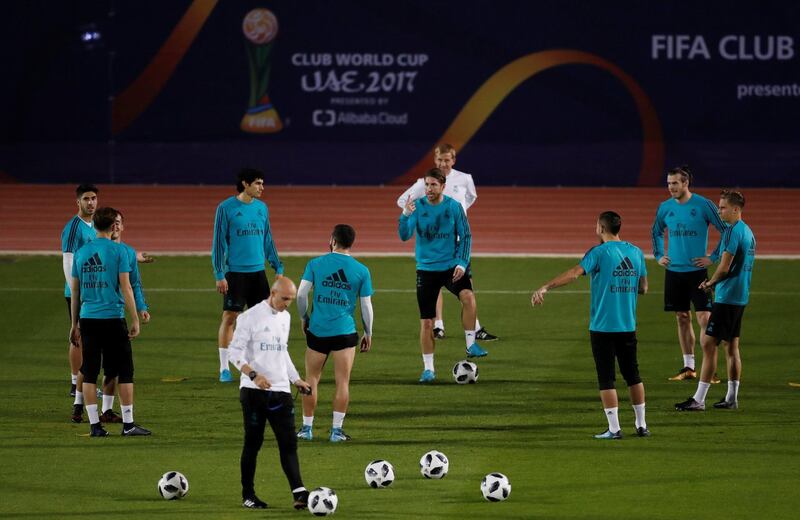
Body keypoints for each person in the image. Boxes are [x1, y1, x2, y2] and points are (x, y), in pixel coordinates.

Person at [531, 211, 649, 439]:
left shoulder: (598, 252)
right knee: (633, 374)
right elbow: (643, 287)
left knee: (606, 377)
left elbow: (575, 274)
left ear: (601, 228)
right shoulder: (636, 252)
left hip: (603, 327)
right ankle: (641, 425)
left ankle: (614, 429)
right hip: (628, 325)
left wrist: (546, 287)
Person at [396, 144, 498, 342]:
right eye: (440, 160)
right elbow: (403, 201)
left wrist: (455, 217)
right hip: (435, 243)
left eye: (447, 160)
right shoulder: (423, 183)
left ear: (453, 160)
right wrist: (422, 215)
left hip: (458, 243)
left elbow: (470, 198)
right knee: (435, 286)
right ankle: (438, 325)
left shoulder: (464, 179)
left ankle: (475, 329)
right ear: (435, 160)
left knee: (466, 289)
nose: (443, 163)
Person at [227, 277, 312, 510]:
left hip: (280, 392)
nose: (288, 304)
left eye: (291, 300)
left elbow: (282, 352)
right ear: (272, 293)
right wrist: (254, 375)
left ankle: (299, 492)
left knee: (289, 442)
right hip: (254, 392)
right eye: (285, 298)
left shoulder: (285, 317)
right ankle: (248, 494)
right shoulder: (249, 317)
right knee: (253, 443)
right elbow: (234, 353)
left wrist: (296, 379)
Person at [398, 168, 488, 383]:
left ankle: (470, 344)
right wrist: (405, 215)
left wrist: (461, 262)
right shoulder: (417, 207)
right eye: (427, 185)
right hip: (426, 270)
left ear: (442, 186)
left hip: (450, 267)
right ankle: (428, 369)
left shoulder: (453, 207)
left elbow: (465, 236)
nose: (428, 189)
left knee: (468, 297)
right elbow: (404, 236)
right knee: (427, 323)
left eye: (433, 185)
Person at [69, 206, 150, 437]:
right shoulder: (119, 252)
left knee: (90, 371)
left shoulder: (82, 253)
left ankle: (95, 426)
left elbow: (75, 292)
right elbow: (126, 287)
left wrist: (74, 324)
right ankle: (128, 424)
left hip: (88, 318)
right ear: (113, 226)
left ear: (94, 225)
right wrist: (134, 317)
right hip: (113, 319)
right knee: (124, 371)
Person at [675, 190, 755, 411]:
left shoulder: (732, 232)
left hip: (727, 297)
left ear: (736, 209)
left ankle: (699, 399)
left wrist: (710, 283)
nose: (719, 211)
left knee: (709, 343)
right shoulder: (747, 231)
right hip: (740, 296)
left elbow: (725, 266)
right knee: (732, 346)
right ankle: (731, 397)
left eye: (722, 207)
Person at [295, 224, 374, 442]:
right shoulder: (361, 270)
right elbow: (366, 306)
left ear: (332, 240)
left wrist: (304, 318)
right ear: (351, 243)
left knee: (311, 379)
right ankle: (336, 431)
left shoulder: (316, 263)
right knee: (342, 382)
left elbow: (301, 295)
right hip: (345, 333)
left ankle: (306, 429)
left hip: (318, 331)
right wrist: (368, 332)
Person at [651, 165, 726, 381]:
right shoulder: (665, 207)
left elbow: (726, 231)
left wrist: (712, 257)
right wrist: (659, 255)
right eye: (668, 183)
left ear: (686, 183)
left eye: (674, 183)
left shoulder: (704, 205)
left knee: (705, 318)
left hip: (698, 272)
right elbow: (656, 231)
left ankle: (709, 370)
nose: (671, 187)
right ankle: (689, 367)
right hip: (674, 273)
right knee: (682, 317)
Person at [212, 168, 283, 382]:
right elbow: (218, 243)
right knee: (230, 317)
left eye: (262, 183)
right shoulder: (226, 208)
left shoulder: (262, 208)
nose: (262, 187)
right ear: (245, 184)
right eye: (258, 183)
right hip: (235, 274)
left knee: (260, 321)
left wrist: (277, 266)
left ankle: (256, 364)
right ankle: (225, 367)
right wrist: (219, 274)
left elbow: (267, 239)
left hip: (258, 273)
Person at [62, 184, 98, 398]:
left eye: (93, 198)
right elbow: (68, 261)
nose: (91, 202)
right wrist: (77, 292)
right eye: (86, 199)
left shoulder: (93, 225)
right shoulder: (74, 228)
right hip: (78, 293)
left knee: (89, 338)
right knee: (78, 336)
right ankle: (76, 382)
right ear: (78, 202)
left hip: (91, 291)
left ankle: (84, 381)